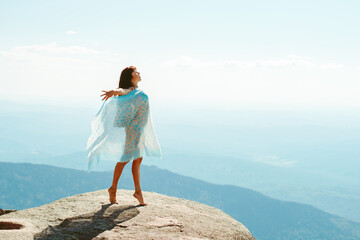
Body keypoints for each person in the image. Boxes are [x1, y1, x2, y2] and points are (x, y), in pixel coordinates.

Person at [87, 66, 162, 206]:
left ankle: (134, 191)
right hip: (133, 130)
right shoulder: (131, 90)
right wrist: (113, 91)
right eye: (136, 72)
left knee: (137, 160)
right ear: (130, 77)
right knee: (126, 159)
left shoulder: (138, 91)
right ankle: (115, 188)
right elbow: (122, 91)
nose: (139, 73)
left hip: (140, 129)